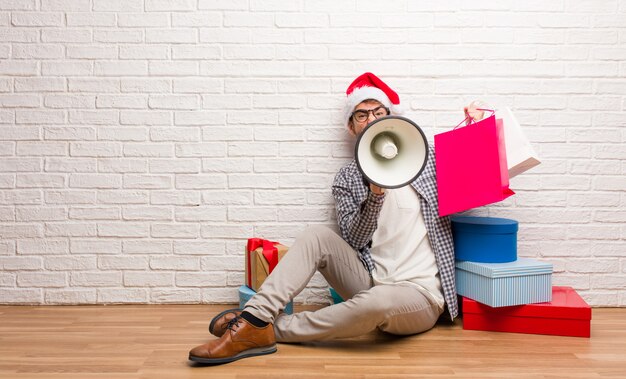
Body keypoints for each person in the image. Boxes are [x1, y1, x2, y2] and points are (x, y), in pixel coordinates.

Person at [189, 72, 462, 365]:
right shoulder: (347, 177)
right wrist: (375, 194)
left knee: (377, 302)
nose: (370, 119)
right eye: (361, 114)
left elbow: (481, 174)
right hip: (371, 281)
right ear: (351, 126)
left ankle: (259, 328)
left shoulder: (427, 160)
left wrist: (476, 123)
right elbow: (355, 240)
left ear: (391, 117)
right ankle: (258, 316)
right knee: (317, 236)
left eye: (378, 112)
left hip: (419, 296)